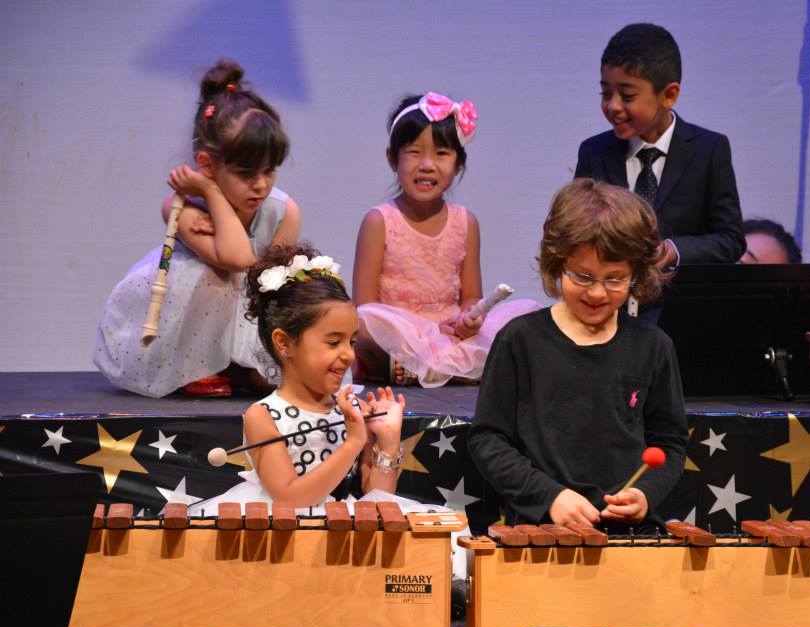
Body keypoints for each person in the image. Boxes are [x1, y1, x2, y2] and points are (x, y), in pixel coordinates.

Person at [467, 179, 688, 531]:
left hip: (629, 537)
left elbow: (670, 443)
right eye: (582, 276)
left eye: (615, 279)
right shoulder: (520, 340)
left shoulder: (653, 347)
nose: (597, 292)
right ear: (557, 264)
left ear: (637, 274)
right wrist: (549, 496)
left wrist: (645, 494)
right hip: (540, 531)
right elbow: (488, 439)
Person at [94, 58, 301, 398]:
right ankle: (202, 367)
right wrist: (210, 193)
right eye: (246, 174)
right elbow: (236, 258)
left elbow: (266, 283)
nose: (260, 185)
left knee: (276, 292)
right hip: (189, 336)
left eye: (269, 171)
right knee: (211, 275)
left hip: (253, 309)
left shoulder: (284, 211)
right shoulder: (184, 208)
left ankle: (243, 365)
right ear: (206, 164)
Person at [188, 244, 405, 515]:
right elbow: (290, 498)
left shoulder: (347, 410)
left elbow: (379, 506)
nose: (348, 355)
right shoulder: (264, 416)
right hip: (289, 533)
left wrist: (387, 441)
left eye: (351, 342)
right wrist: (352, 443)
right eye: (333, 342)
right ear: (284, 343)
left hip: (343, 528)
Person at [352, 92, 539, 388]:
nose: (427, 165)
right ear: (392, 158)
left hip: (450, 337)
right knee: (362, 320)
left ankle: (434, 369)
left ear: (459, 163)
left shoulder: (466, 222)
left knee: (528, 314)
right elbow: (364, 305)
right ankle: (441, 369)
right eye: (414, 152)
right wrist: (407, 331)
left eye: (441, 154)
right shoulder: (379, 221)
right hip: (399, 337)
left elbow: (470, 298)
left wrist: (470, 318)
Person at [574, 23, 745, 270]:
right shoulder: (594, 152)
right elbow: (579, 231)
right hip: (610, 301)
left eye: (627, 96)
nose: (613, 106)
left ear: (669, 95)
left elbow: (730, 240)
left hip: (680, 302)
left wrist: (674, 250)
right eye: (605, 93)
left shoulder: (709, 150)